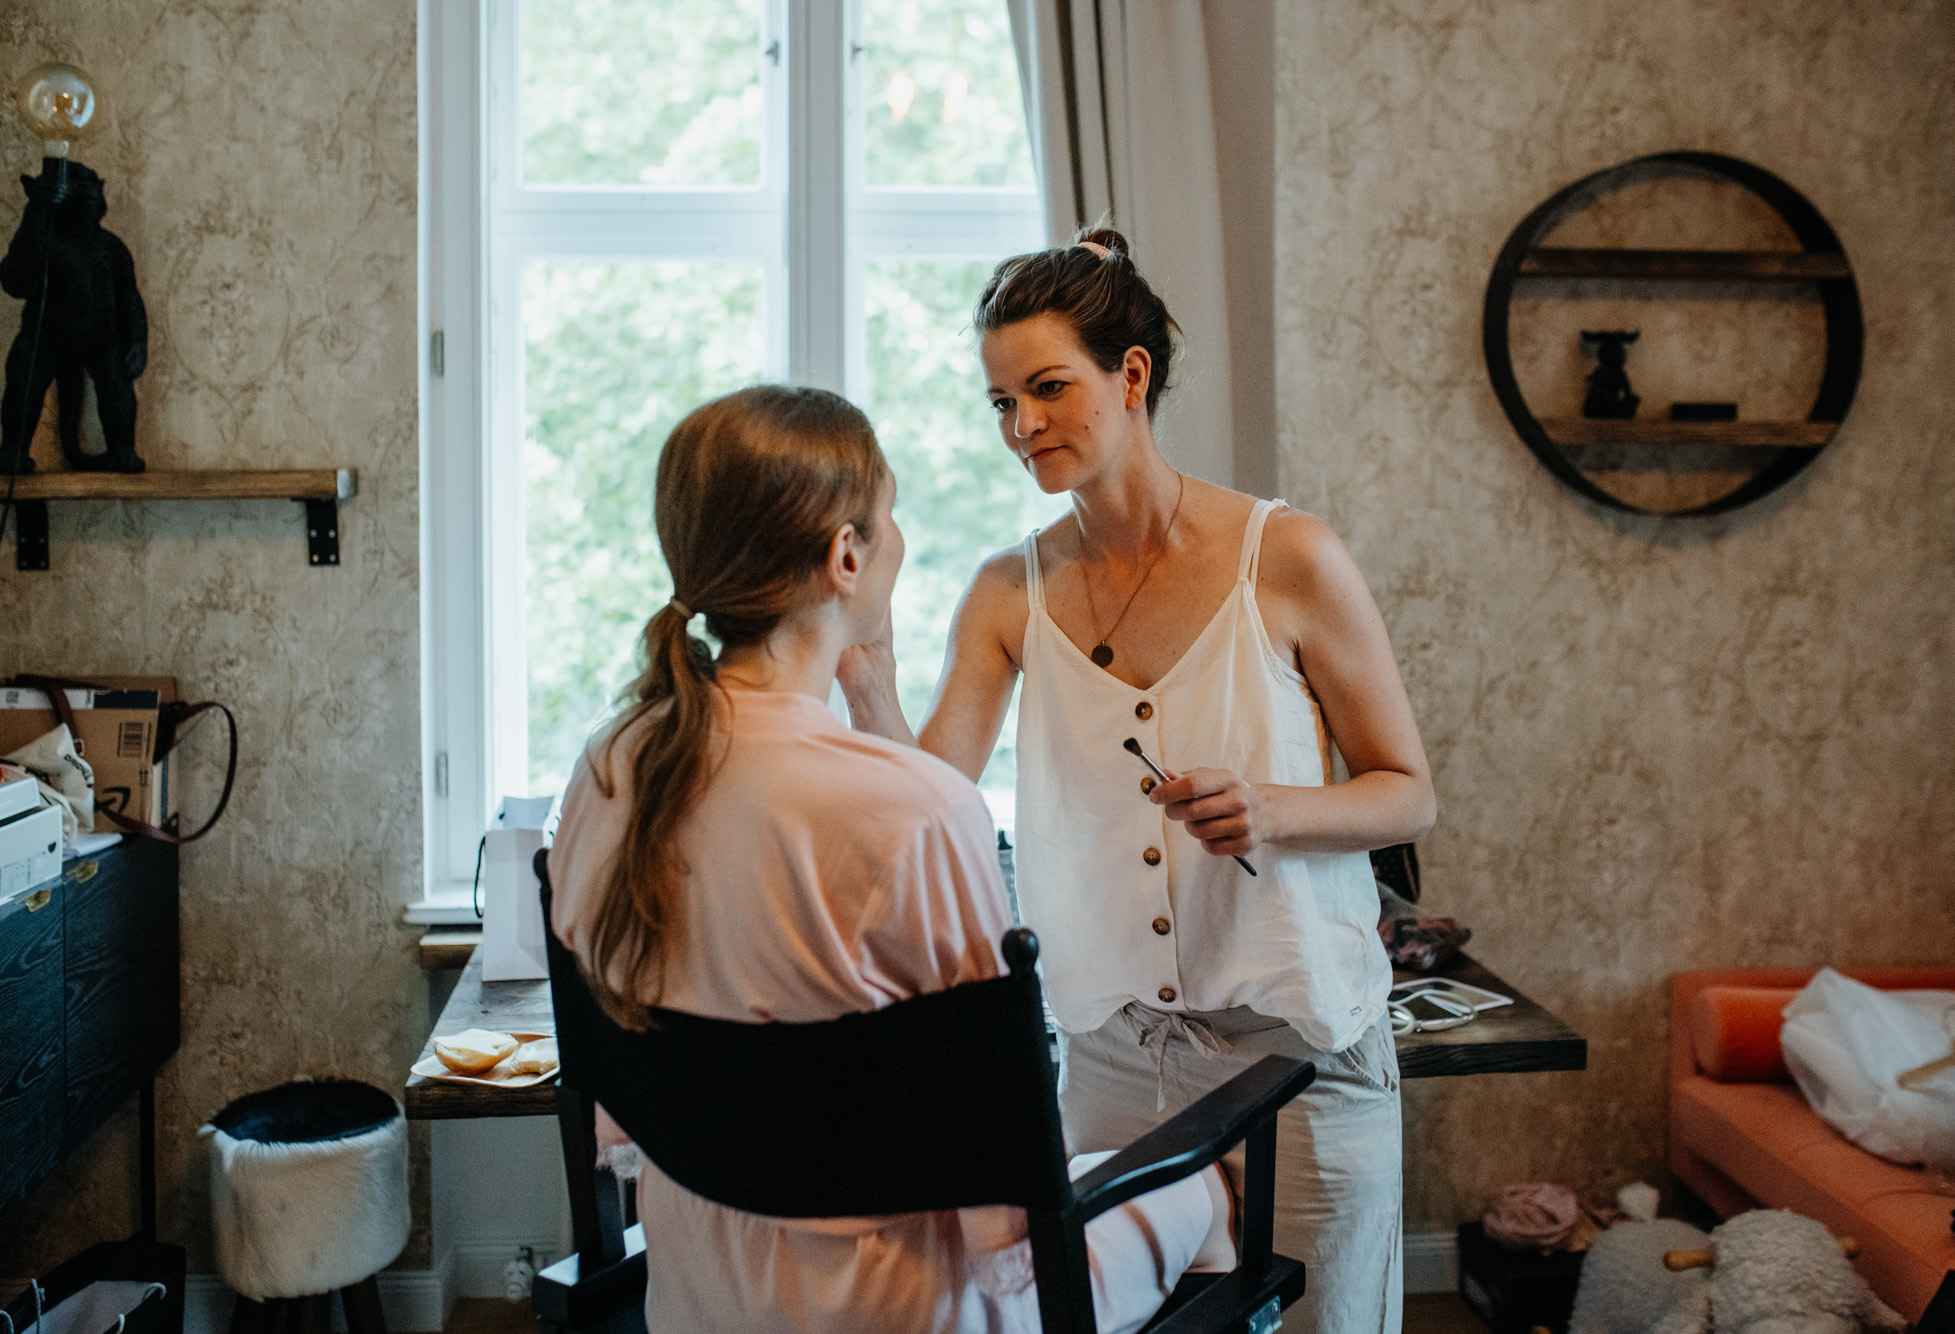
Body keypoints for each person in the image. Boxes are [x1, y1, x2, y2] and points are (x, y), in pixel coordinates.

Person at [837, 231, 1436, 1334]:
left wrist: (1273, 808)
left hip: (1300, 1053)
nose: (1021, 428)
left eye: (1048, 388)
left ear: (1131, 375)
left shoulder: (1290, 558)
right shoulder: (1003, 591)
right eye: (1000, 403)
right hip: (1113, 1065)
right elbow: (933, 799)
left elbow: (1406, 792)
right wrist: (863, 678)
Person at [546, 384, 1234, 1334]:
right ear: (846, 556)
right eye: (893, 515)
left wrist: (870, 691)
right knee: (1206, 1187)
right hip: (903, 1310)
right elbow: (1001, 1167)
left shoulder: (609, 767)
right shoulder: (914, 809)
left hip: (699, 1289)